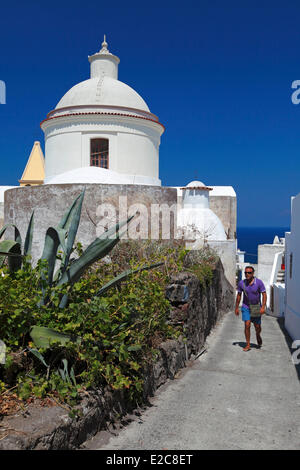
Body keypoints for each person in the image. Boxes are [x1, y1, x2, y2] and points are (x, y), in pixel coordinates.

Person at [235, 266, 267, 352]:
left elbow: (264, 294)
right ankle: (248, 344)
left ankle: (258, 334)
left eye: (249, 273)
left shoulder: (259, 283)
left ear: (253, 273)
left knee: (257, 327)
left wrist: (263, 307)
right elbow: (239, 295)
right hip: (246, 307)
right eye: (245, 273)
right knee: (247, 325)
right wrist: (236, 307)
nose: (247, 274)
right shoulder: (242, 283)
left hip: (256, 307)